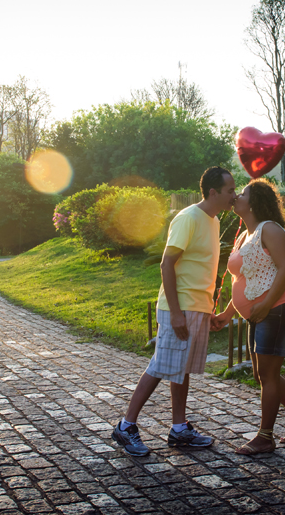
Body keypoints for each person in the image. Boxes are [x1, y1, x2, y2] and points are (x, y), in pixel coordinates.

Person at [111, 166, 236, 456]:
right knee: (160, 365)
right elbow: (166, 264)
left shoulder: (213, 220)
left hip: (197, 306)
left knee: (181, 368)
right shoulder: (189, 217)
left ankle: (179, 429)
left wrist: (208, 308)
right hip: (177, 307)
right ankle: (126, 425)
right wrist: (178, 313)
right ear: (214, 192)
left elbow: (201, 267)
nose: (234, 195)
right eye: (230, 190)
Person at [211, 178, 285, 454]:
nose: (236, 197)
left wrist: (267, 304)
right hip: (260, 313)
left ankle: (265, 437)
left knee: (268, 374)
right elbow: (247, 278)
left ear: (255, 202)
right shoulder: (246, 234)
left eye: (242, 193)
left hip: (279, 309)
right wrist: (227, 312)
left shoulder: (270, 229)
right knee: (262, 375)